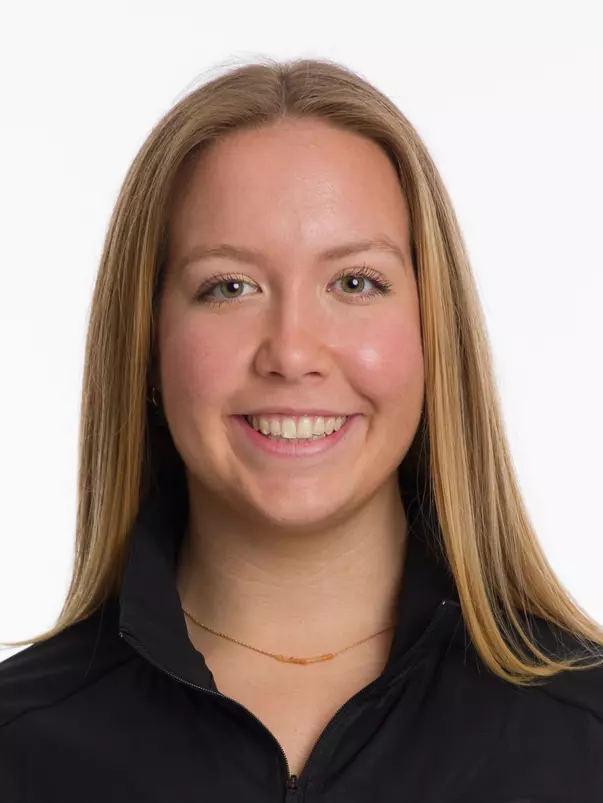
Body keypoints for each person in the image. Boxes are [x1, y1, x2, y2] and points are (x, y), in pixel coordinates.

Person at [1, 56, 602, 802]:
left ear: (432, 335)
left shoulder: (587, 737)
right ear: (148, 344)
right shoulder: (18, 748)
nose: (290, 352)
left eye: (354, 282)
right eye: (229, 287)